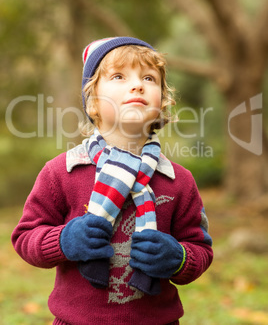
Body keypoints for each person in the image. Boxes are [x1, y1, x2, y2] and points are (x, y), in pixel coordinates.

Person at [12, 37, 213, 325]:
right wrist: (63, 240)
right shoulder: (62, 172)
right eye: (119, 76)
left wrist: (178, 257)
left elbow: (201, 249)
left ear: (163, 102)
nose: (138, 85)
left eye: (149, 78)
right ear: (92, 101)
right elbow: (25, 238)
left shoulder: (177, 180)